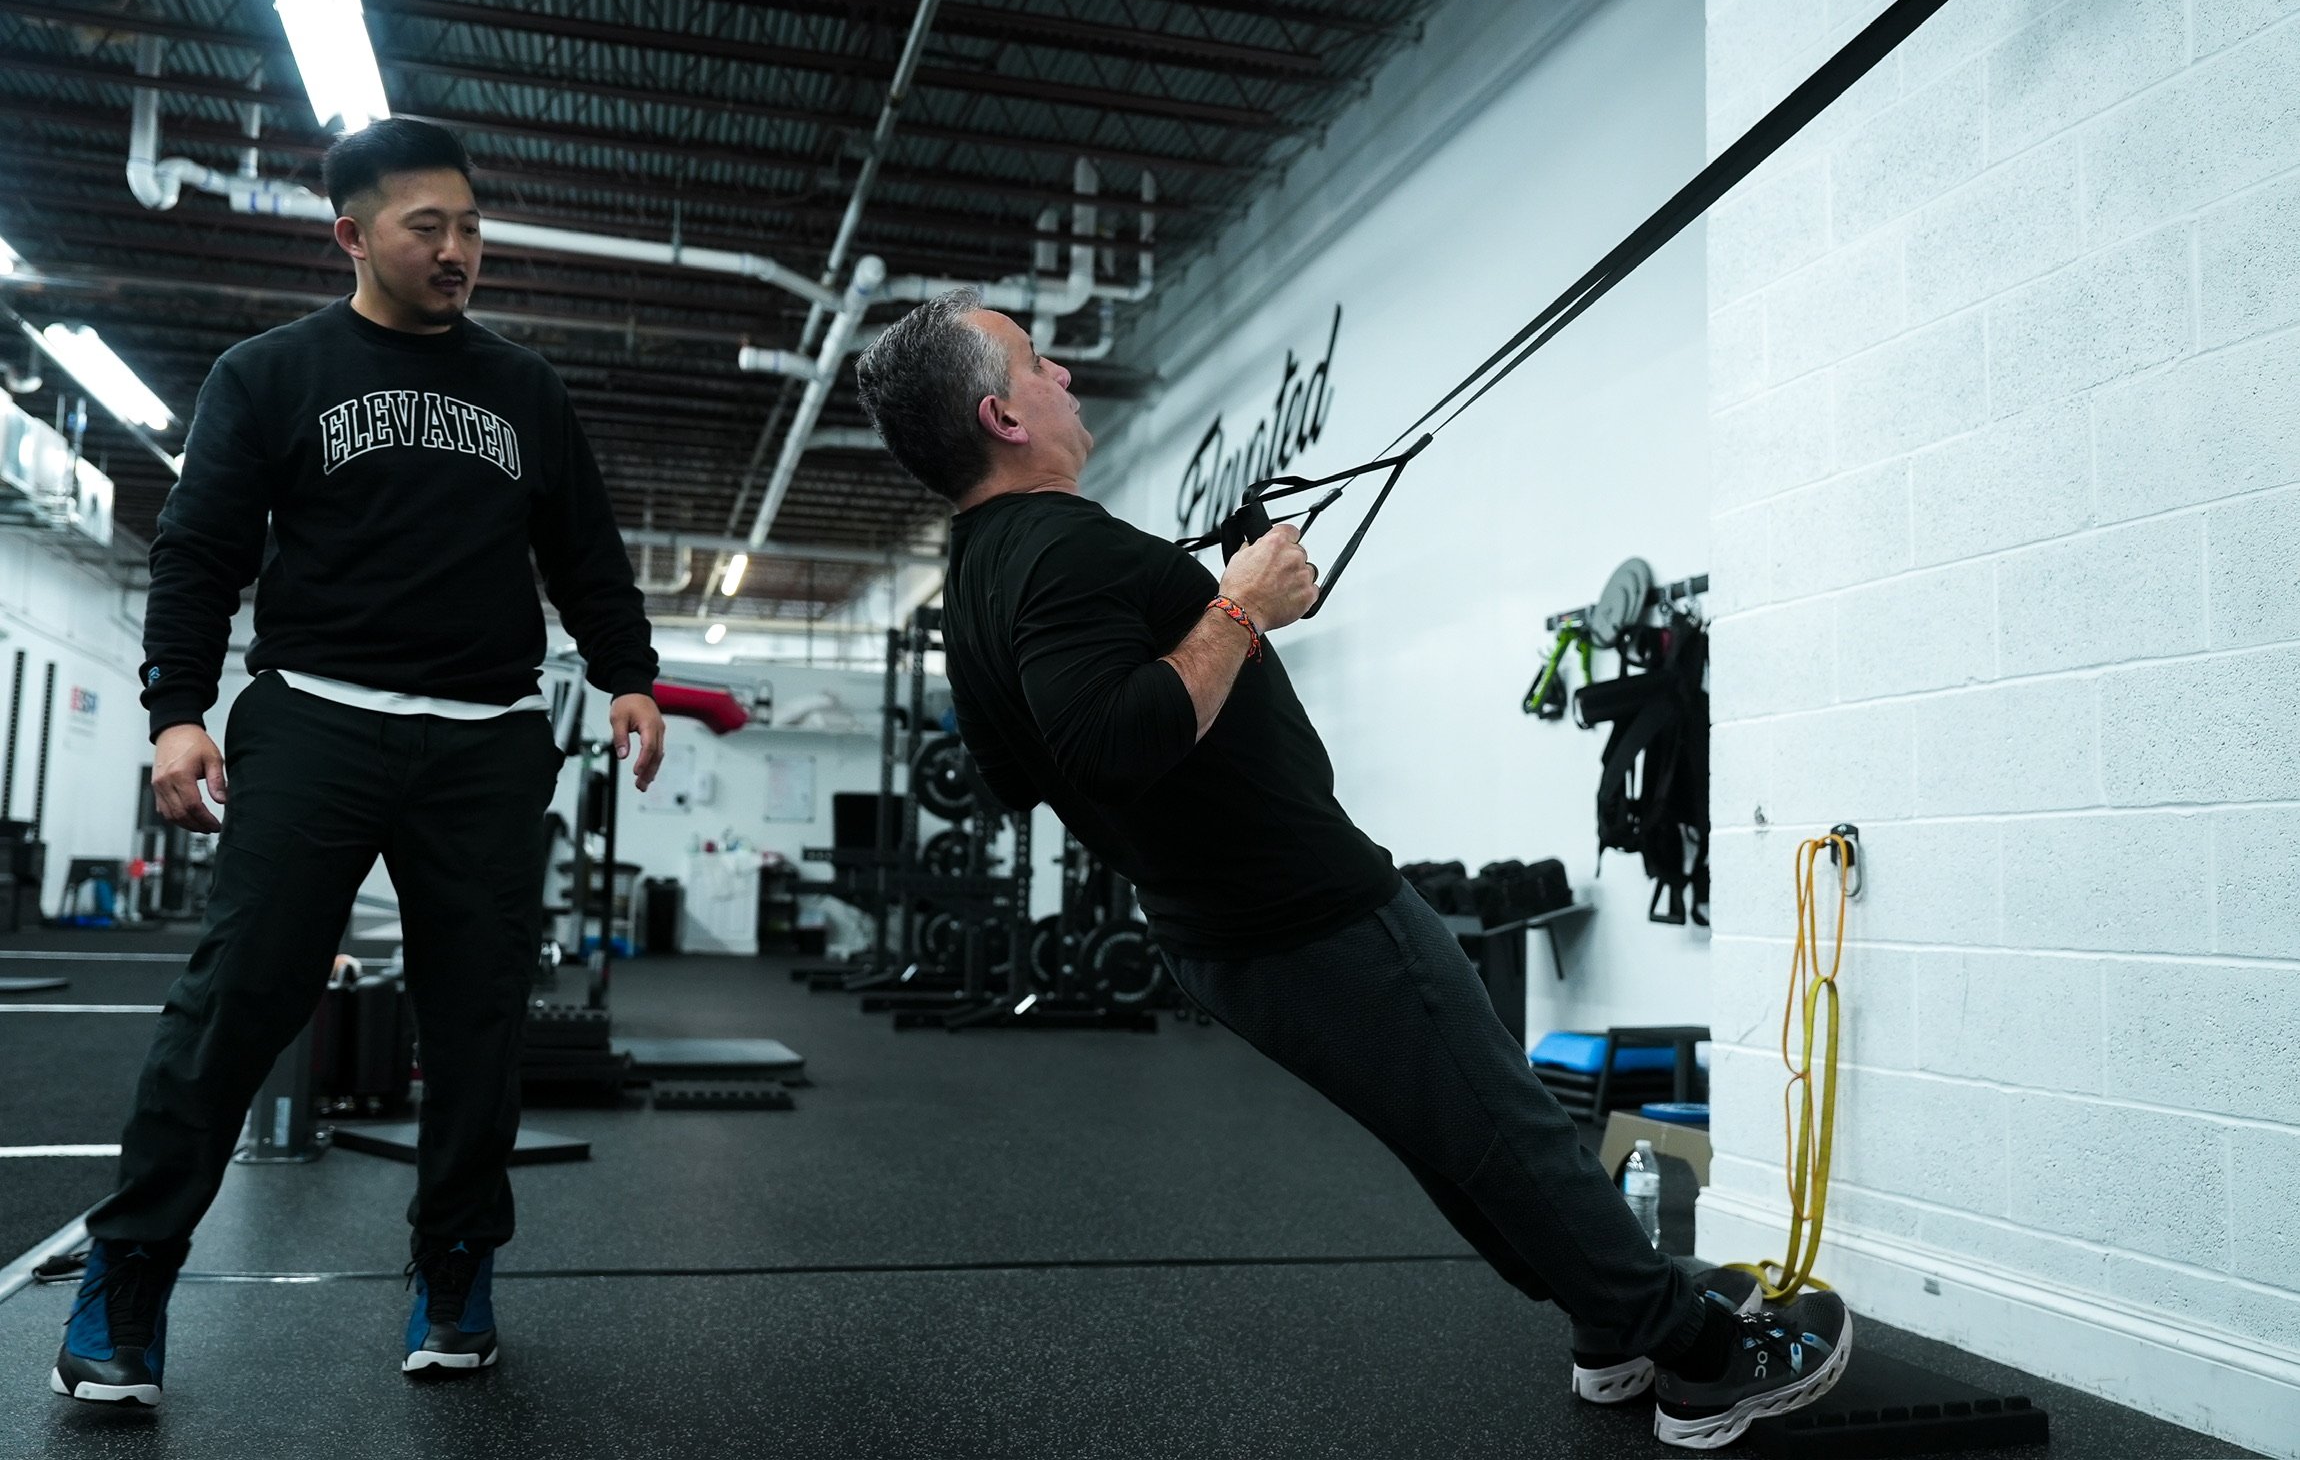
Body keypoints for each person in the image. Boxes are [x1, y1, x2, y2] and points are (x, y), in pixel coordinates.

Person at [855, 290, 1852, 1451]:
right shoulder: (1058, 549)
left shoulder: (977, 572)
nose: (1064, 375)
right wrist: (1238, 606)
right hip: (1305, 906)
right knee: (1500, 1122)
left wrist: (1199, 615)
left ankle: (1612, 1320)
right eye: (1037, 362)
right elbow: (1112, 745)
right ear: (1001, 416)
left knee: (1456, 1131)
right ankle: (1700, 1358)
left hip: (1223, 928)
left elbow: (1011, 774)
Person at [53, 118, 664, 1407]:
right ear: (352, 234)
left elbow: (587, 557)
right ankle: (130, 1277)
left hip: (486, 739)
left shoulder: (526, 390)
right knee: (237, 1002)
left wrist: (627, 677)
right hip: (315, 719)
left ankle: (453, 1271)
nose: (456, 251)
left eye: (470, 228)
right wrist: (176, 710)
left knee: (478, 1021)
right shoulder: (271, 373)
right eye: (424, 227)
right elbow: (200, 550)